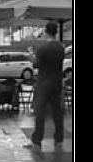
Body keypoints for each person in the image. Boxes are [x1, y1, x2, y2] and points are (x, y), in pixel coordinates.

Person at [25, 21, 64, 151]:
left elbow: (36, 64)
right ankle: (58, 139)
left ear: (46, 32)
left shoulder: (43, 48)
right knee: (57, 112)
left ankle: (37, 140)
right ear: (56, 32)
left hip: (44, 83)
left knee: (40, 112)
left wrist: (30, 54)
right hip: (57, 82)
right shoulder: (61, 47)